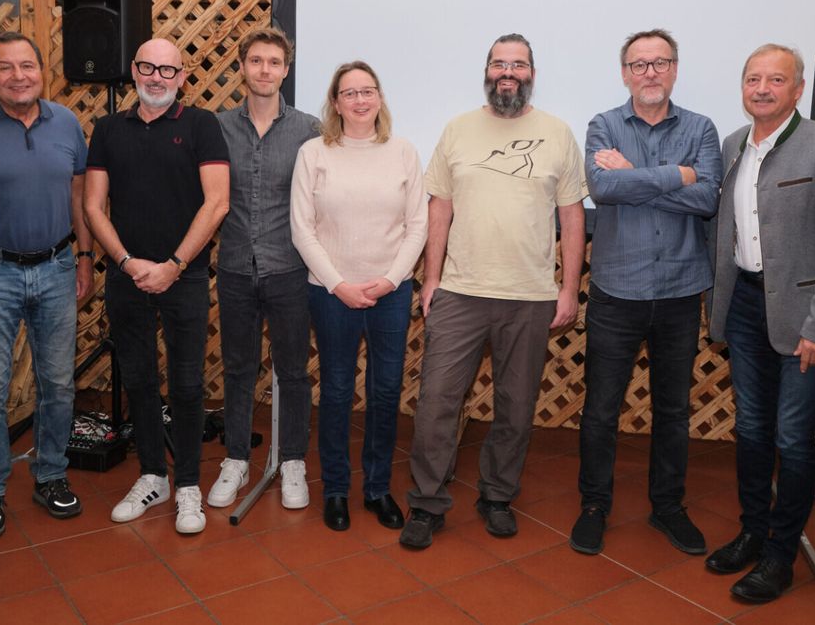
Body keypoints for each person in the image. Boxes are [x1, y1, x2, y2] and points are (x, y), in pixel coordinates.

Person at [401, 33, 586, 550]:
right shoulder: (458, 129)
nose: (509, 72)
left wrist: (568, 288)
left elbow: (571, 216)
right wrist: (432, 278)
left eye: (519, 64)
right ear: (487, 70)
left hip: (530, 295)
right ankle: (427, 501)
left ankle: (498, 495)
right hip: (460, 290)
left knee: (516, 404)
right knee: (437, 400)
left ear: (532, 73)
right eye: (499, 63)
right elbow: (439, 206)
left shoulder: (557, 133)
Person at [704, 44, 815, 602]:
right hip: (744, 306)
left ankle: (780, 554)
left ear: (798, 89)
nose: (762, 88)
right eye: (752, 78)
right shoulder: (732, 146)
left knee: (792, 438)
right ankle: (752, 531)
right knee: (749, 429)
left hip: (804, 318)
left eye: (776, 79)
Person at [570, 29, 723, 557]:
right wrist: (675, 176)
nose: (650, 73)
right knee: (601, 409)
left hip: (681, 291)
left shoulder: (702, 128)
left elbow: (707, 197)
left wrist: (637, 173)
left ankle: (668, 507)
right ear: (625, 73)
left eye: (660, 63)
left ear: (675, 69)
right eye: (639, 65)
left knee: (673, 411)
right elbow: (602, 188)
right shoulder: (603, 125)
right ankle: (593, 505)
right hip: (616, 291)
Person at [84, 38, 230, 535]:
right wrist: (126, 263)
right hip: (127, 279)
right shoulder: (107, 129)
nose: (157, 77)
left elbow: (217, 204)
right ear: (133, 70)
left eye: (168, 70)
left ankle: (187, 484)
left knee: (188, 385)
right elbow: (91, 206)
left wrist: (172, 264)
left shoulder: (201, 126)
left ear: (182, 76)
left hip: (184, 277)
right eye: (147, 67)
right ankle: (153, 476)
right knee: (141, 381)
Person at [0, 32, 93, 538]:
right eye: (5, 67)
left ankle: (51, 476)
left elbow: (78, 193)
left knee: (58, 383)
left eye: (27, 66)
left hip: (58, 265)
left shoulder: (66, 122)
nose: (18, 76)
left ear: (43, 71)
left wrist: (84, 255)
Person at [290, 61, 427, 531]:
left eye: (368, 91)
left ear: (380, 98)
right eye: (350, 93)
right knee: (337, 391)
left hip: (390, 292)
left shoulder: (404, 152)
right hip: (331, 294)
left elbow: (418, 225)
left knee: (386, 392)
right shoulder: (314, 153)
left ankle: (376, 489)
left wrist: (390, 279)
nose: (360, 100)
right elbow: (302, 229)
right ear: (335, 103)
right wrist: (338, 285)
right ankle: (333, 489)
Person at [209, 28, 320, 510]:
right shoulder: (216, 128)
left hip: (290, 270)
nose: (265, 70)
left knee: (293, 371)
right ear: (242, 67)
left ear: (285, 70)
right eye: (256, 61)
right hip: (233, 267)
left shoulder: (310, 130)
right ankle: (236, 458)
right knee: (237, 368)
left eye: (274, 62)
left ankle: (292, 459)